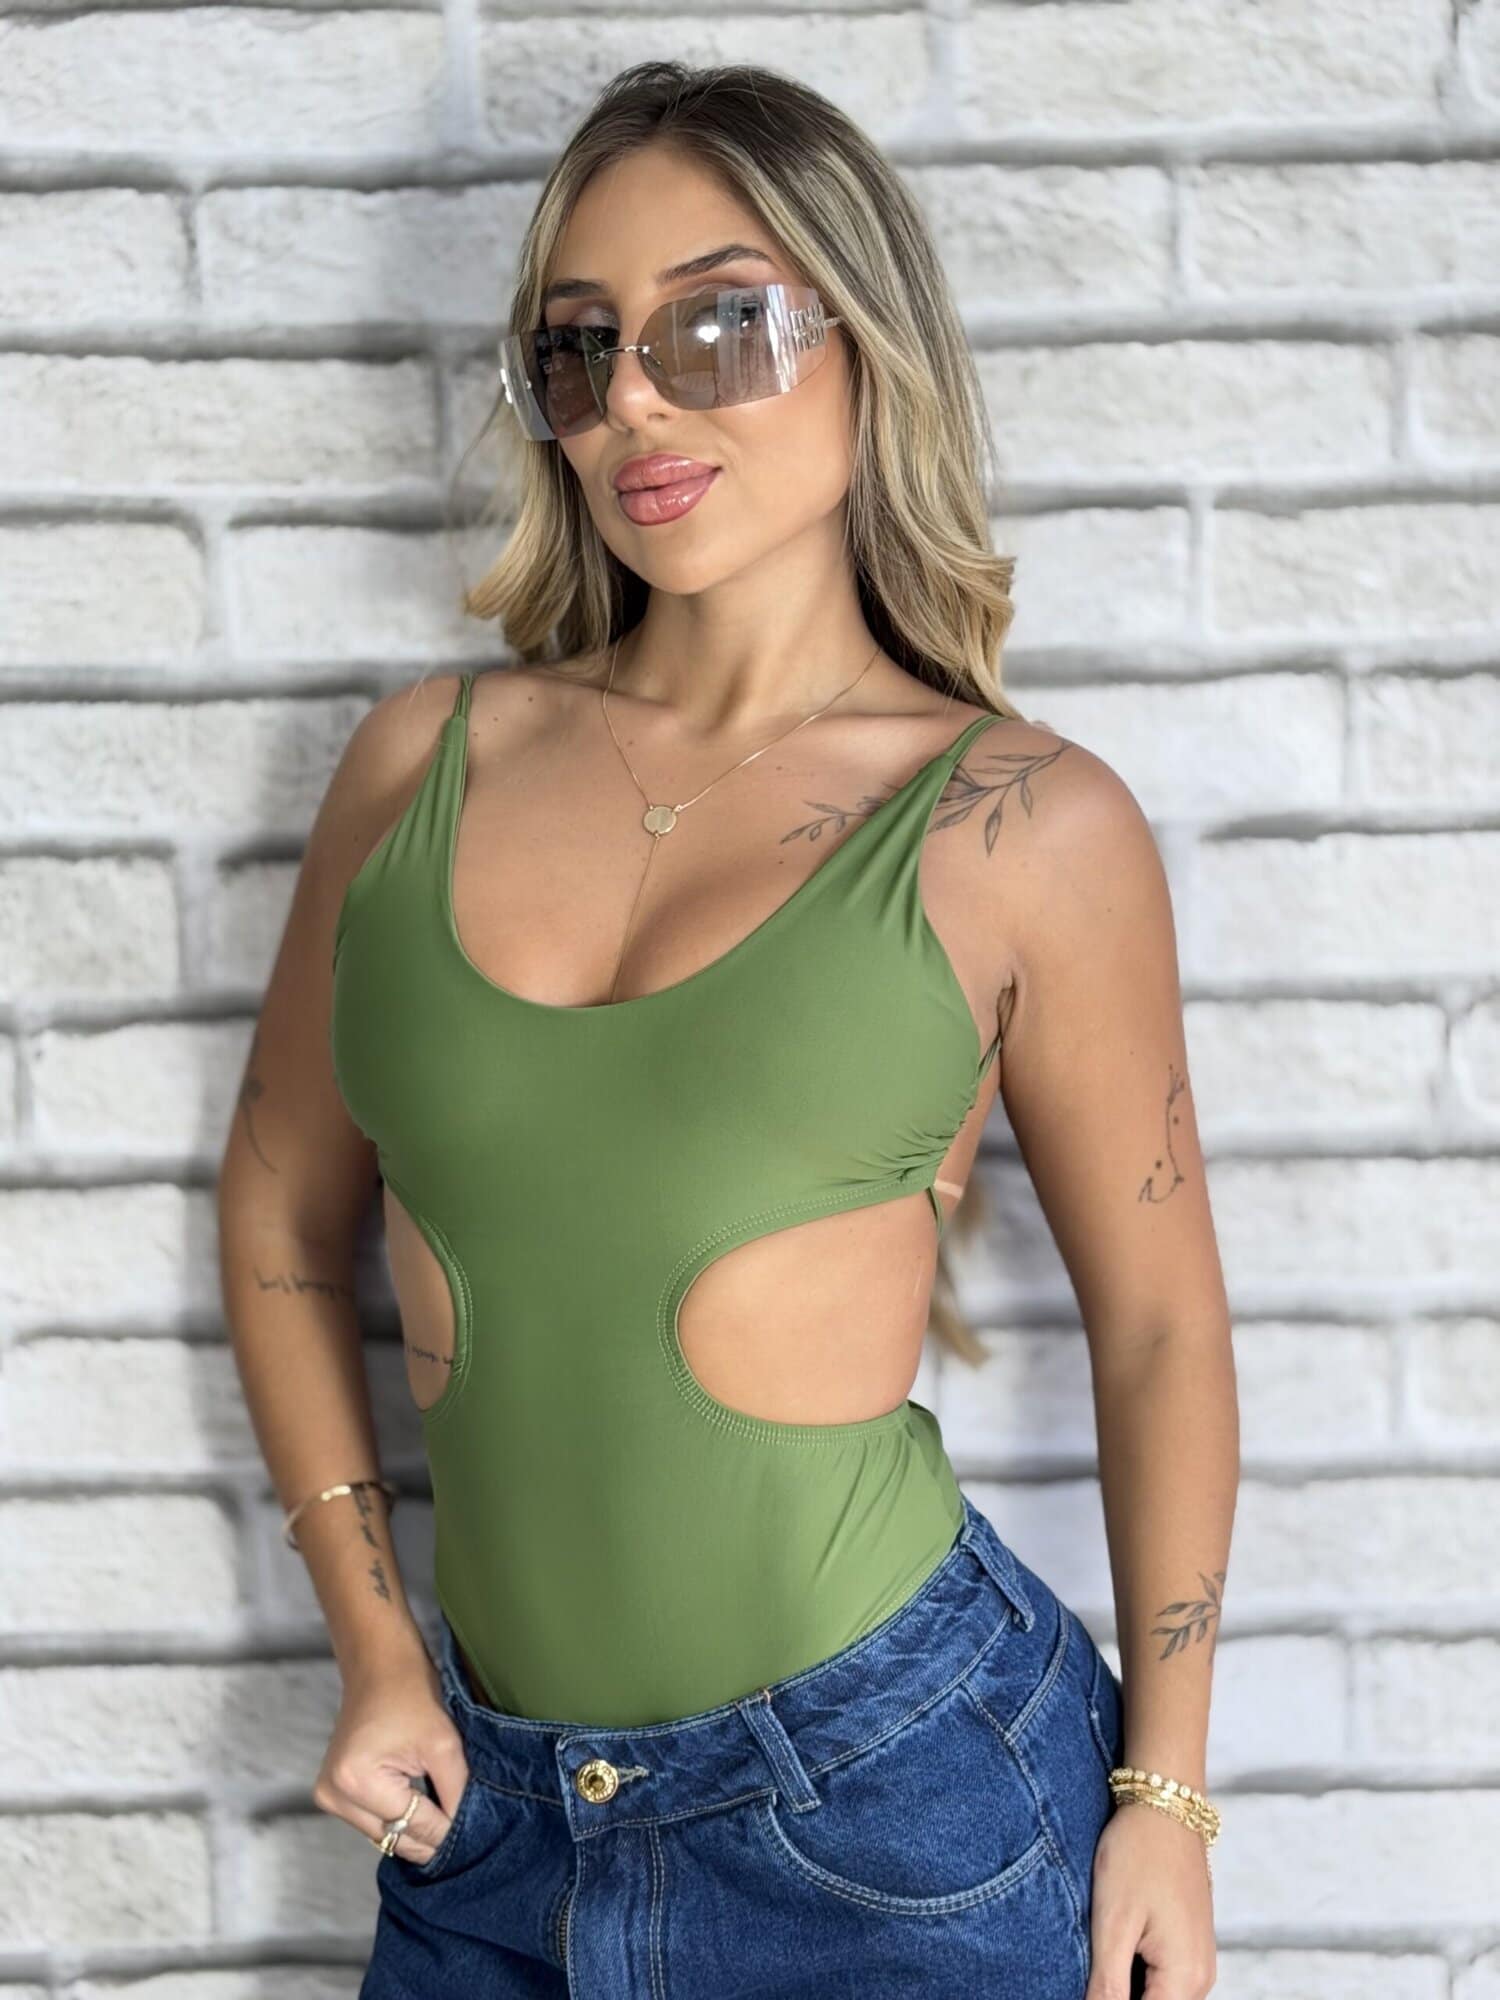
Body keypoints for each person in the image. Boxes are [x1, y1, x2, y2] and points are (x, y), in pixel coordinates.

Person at [217, 58, 1235, 2000]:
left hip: (900, 1809)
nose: (638, 404)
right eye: (580, 349)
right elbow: (278, 1209)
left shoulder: (1022, 824)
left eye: (718, 327)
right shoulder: (419, 766)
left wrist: (1166, 1802)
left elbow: (1165, 1325)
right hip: (492, 1831)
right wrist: (371, 1643)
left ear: (870, 343)